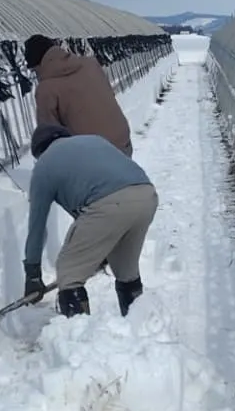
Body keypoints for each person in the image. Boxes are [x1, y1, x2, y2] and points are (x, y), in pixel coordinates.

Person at [23, 124, 158, 317]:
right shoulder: (94, 140)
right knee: (126, 270)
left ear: (39, 151)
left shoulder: (44, 166)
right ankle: (139, 326)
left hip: (109, 206)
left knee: (68, 271)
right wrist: (99, 248)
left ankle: (80, 340)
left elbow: (37, 226)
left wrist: (33, 273)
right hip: (146, 195)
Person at [24, 35, 133, 155]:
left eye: (34, 70)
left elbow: (49, 135)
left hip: (94, 154)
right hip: (123, 141)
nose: (35, 75)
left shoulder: (46, 88)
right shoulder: (91, 64)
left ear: (39, 64)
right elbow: (110, 93)